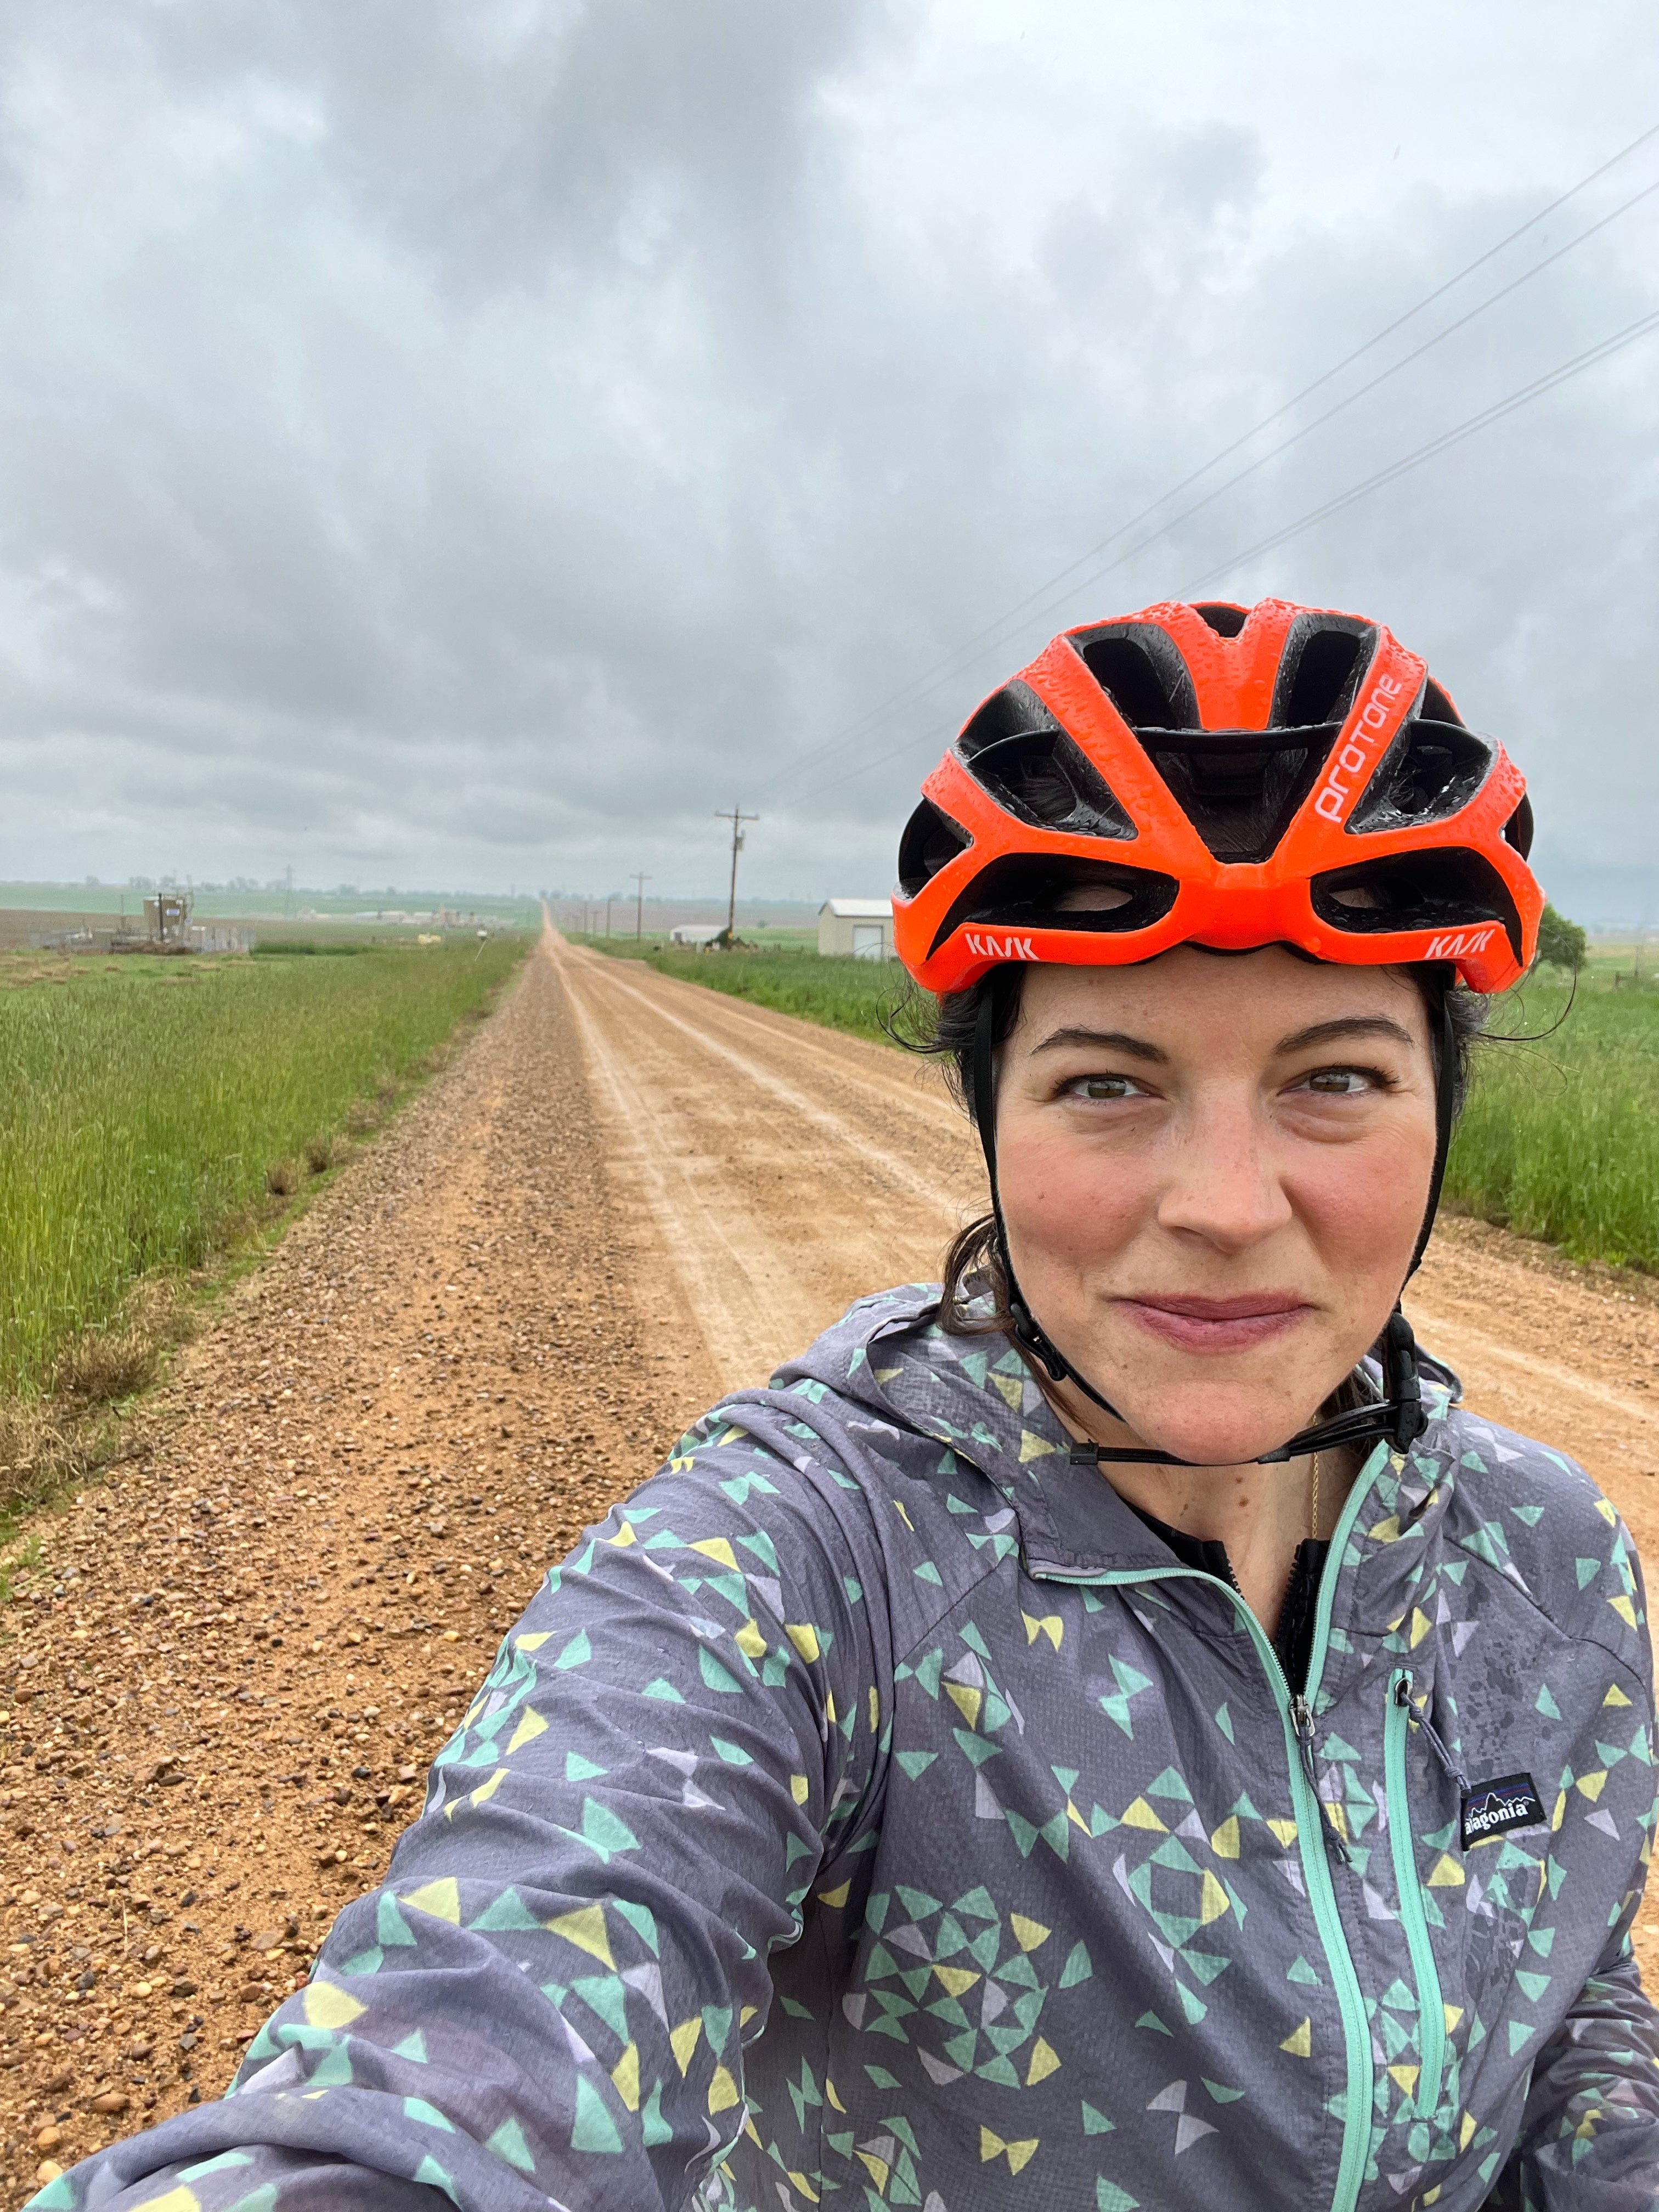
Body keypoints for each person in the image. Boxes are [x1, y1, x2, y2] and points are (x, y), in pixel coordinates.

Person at [44, 599, 1657, 2211]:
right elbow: (480, 2051)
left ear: (1442, 1110)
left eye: (1337, 1079)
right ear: (991, 1116)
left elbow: (1568, 2003)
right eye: (1107, 1083)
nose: (1226, 1206)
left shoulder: (1549, 1562)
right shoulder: (805, 1561)